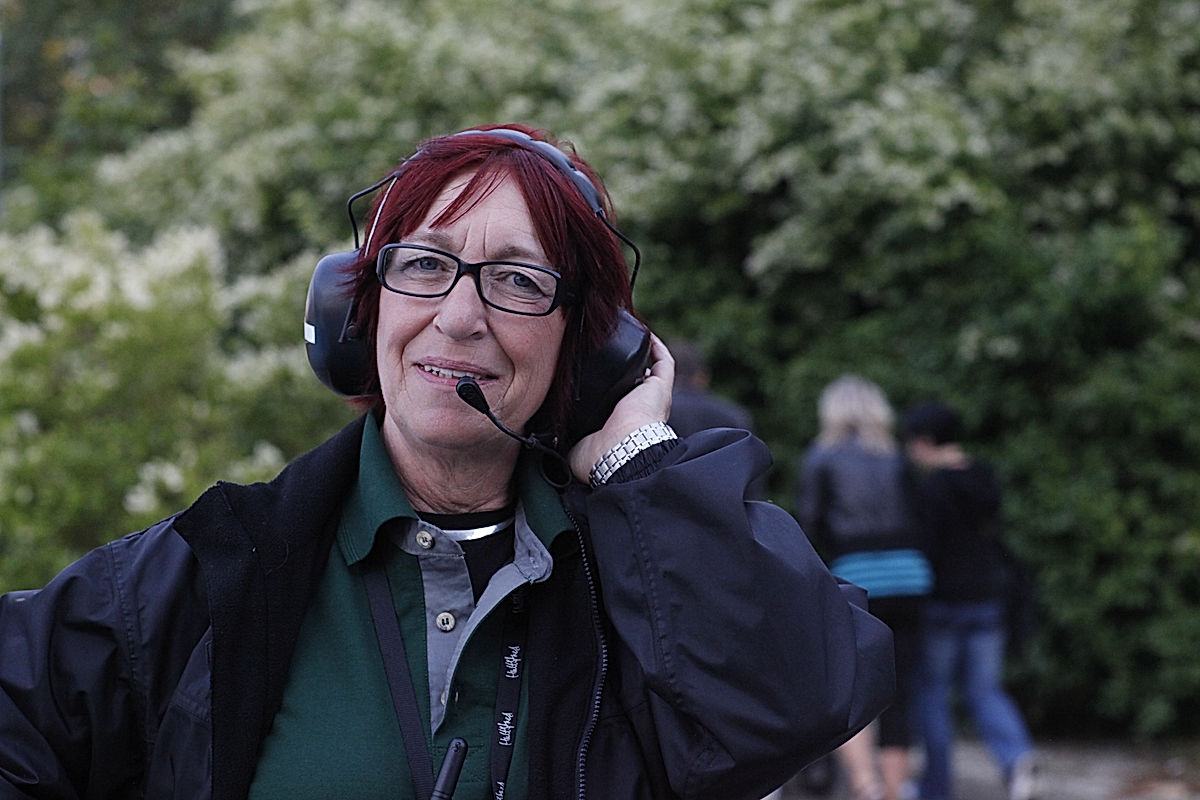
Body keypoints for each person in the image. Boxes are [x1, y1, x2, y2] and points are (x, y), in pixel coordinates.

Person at [0, 124, 895, 800]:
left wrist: (633, 460)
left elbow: (799, 701)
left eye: (518, 280)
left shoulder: (640, 583)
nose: (460, 318)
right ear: (362, 311)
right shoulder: (206, 575)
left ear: (584, 350)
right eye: (425, 264)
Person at [795, 375, 932, 800]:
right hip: (909, 577)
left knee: (850, 687)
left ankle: (866, 785)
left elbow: (808, 526)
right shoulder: (896, 457)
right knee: (900, 692)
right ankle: (895, 789)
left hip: (856, 577)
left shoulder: (820, 458)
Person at [901, 400, 1038, 800]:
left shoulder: (932, 488)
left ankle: (936, 786)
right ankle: (1017, 757)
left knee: (932, 694)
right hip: (987, 600)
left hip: (944, 603)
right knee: (985, 690)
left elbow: (927, 548)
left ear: (925, 441)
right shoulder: (984, 477)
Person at [667, 338, 766, 499]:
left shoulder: (651, 418)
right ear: (702, 376)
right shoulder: (734, 416)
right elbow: (752, 488)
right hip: (724, 509)